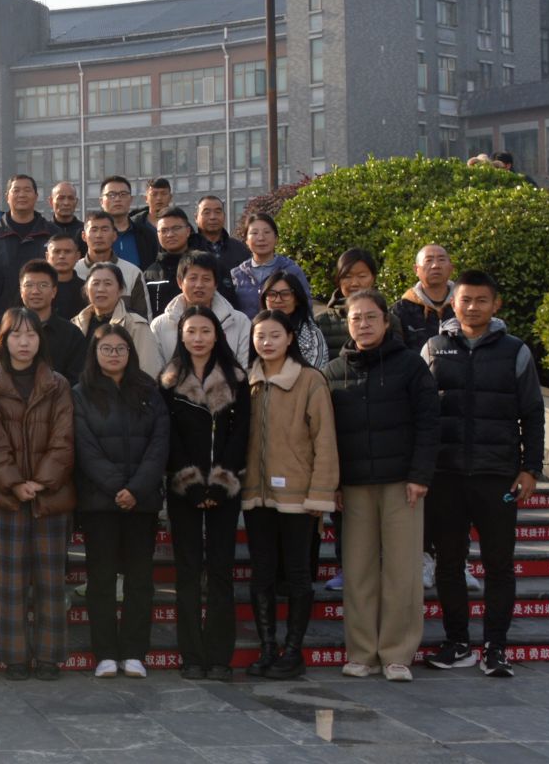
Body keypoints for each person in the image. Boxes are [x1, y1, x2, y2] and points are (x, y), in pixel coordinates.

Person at [421, 271, 544, 678]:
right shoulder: (434, 348)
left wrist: (531, 468)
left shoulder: (515, 351)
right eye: (466, 299)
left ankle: (496, 647)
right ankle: (457, 642)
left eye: (481, 300)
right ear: (453, 303)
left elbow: (533, 414)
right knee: (448, 563)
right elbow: (421, 412)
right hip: (446, 476)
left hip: (498, 477)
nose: (472, 307)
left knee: (499, 564)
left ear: (496, 305)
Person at [325, 290, 439, 683]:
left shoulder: (410, 366)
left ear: (386, 321)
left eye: (371, 317)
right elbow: (328, 435)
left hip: (401, 484)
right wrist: (333, 484)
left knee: (402, 571)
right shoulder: (334, 371)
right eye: (355, 318)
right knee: (358, 572)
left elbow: (429, 423)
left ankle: (397, 653)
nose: (363, 325)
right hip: (354, 487)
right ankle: (361, 653)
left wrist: (420, 476)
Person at [240, 309, 338, 681]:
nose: (266, 342)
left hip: (299, 496)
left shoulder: (310, 380)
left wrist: (320, 493)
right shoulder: (246, 381)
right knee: (262, 573)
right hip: (256, 494)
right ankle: (268, 647)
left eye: (275, 335)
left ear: (290, 338)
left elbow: (324, 441)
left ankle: (293, 650)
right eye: (260, 336)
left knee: (298, 573)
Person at [70, 325, 169, 679]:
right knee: (101, 580)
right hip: (100, 503)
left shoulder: (149, 391)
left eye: (120, 349)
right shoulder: (81, 393)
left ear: (131, 352)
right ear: (94, 353)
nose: (113, 355)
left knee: (140, 580)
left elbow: (159, 444)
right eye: (106, 349)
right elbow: (85, 447)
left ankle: (134, 652)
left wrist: (136, 489)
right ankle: (106, 654)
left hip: (141, 502)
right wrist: (117, 488)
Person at [0, 308, 75, 681]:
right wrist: (13, 482)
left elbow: (64, 438)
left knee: (51, 582)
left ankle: (50, 658)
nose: (24, 342)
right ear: (3, 341)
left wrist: (40, 482)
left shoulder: (58, 384)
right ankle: (15, 657)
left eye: (31, 335)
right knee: (11, 583)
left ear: (41, 340)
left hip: (51, 498)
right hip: (5, 498)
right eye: (16, 335)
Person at [160, 306, 250, 681]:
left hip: (225, 490)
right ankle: (191, 655)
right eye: (191, 331)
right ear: (181, 336)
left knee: (220, 572)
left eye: (205, 331)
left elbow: (241, 433)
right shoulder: (168, 381)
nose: (198, 338)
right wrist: (192, 483)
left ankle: (219, 656)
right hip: (184, 490)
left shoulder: (237, 379)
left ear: (217, 336)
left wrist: (220, 482)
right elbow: (168, 436)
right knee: (187, 572)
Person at [152, 251, 251, 362]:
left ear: (216, 284)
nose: (199, 285)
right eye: (193, 278)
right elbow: (156, 369)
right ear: (180, 282)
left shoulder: (240, 322)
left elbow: (245, 366)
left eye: (206, 279)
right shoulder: (160, 326)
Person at [73, 263, 161, 379]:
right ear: (86, 289)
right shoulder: (76, 324)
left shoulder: (136, 325)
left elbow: (149, 372)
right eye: (95, 283)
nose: (101, 289)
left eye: (108, 284)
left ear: (120, 290)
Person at [314, 249, 402, 360]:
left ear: (373, 278)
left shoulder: (389, 320)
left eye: (362, 276)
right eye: (347, 277)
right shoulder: (320, 322)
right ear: (338, 280)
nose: (355, 283)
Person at [0, 175, 57, 299]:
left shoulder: (53, 233)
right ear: (7, 197)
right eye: (16, 190)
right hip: (2, 308)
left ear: (36, 196)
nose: (22, 195)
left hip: (44, 307)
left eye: (27, 190)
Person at [232, 213, 312, 317]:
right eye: (254, 233)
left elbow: (306, 308)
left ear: (276, 238)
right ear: (246, 240)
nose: (261, 238)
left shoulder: (292, 271)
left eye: (267, 232)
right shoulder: (236, 275)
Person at [16, 261, 86, 378]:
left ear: (54, 291)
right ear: (21, 291)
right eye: (29, 285)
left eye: (43, 285)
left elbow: (77, 378)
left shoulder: (71, 334)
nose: (35, 291)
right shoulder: (9, 329)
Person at [76, 213, 150, 318]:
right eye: (94, 230)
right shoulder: (74, 270)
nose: (99, 235)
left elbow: (144, 318)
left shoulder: (132, 272)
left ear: (114, 236)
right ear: (84, 236)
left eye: (105, 230)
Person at [261, 271, 329, 368]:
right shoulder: (255, 330)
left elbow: (314, 372)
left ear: (297, 299)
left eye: (285, 294)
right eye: (272, 294)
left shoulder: (311, 335)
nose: (278, 300)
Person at [396, 244, 456, 349]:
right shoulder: (400, 310)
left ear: (451, 268)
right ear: (416, 269)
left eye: (441, 260)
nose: (435, 265)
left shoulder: (465, 305)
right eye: (428, 260)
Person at [96, 175, 158, 269]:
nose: (117, 199)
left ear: (131, 199)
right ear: (101, 201)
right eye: (111, 195)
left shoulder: (147, 235)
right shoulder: (92, 236)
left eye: (123, 194)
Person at [142, 207, 195, 315]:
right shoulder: (150, 274)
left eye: (176, 228)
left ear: (188, 231)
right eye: (164, 230)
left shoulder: (203, 266)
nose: (170, 234)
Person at [188, 195, 250, 279]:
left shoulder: (240, 249)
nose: (212, 217)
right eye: (207, 212)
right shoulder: (187, 247)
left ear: (224, 216)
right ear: (196, 218)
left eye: (217, 212)